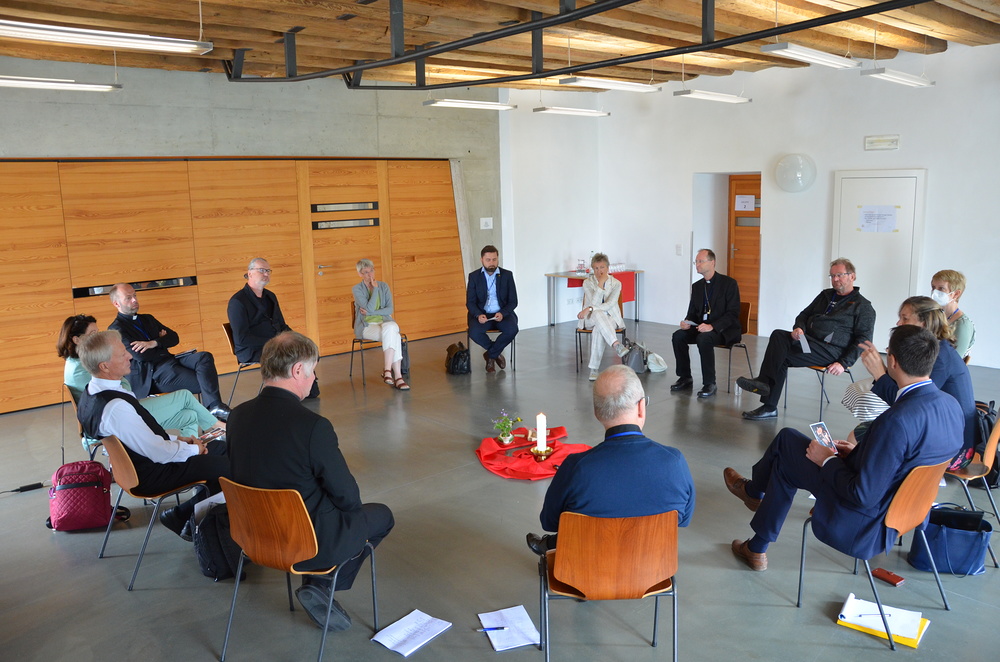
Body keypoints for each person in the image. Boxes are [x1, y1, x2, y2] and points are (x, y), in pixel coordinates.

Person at [723, 325, 963, 571]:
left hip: (862, 520)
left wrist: (827, 459)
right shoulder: (951, 406)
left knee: (786, 449)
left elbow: (863, 495)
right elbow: (907, 463)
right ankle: (755, 535)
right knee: (788, 446)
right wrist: (859, 453)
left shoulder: (897, 421)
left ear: (892, 361)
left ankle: (754, 508)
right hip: (907, 512)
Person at [227, 332, 394, 632]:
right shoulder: (313, 426)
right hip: (308, 544)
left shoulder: (236, 417)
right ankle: (322, 582)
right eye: (313, 370)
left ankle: (319, 583)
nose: (314, 377)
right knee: (381, 515)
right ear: (297, 371)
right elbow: (348, 498)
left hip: (254, 536)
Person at [75, 330, 230, 539]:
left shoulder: (92, 392)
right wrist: (193, 449)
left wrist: (180, 440)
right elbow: (158, 452)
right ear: (105, 366)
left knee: (223, 449)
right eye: (122, 354)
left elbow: (141, 439)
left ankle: (188, 516)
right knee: (234, 469)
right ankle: (188, 519)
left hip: (140, 465)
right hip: (152, 473)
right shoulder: (116, 407)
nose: (130, 356)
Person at [525, 365, 695, 554]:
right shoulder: (674, 462)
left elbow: (549, 522)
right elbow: (683, 519)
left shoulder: (576, 467)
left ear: (597, 412)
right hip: (651, 567)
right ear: (641, 407)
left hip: (587, 568)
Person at [737, 258, 875, 420]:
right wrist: (799, 328)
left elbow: (863, 340)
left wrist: (844, 363)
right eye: (832, 276)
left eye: (839, 275)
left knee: (782, 357)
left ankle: (768, 401)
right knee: (778, 335)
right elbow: (804, 314)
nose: (835, 279)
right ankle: (764, 385)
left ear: (852, 276)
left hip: (832, 351)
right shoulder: (825, 295)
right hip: (809, 341)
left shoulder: (863, 307)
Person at [59, 314, 225, 439]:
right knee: (185, 396)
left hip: (123, 410)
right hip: (119, 419)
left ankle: (191, 454)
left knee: (190, 416)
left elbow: (121, 384)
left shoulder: (78, 362)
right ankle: (220, 427)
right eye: (93, 334)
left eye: (98, 332)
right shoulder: (81, 368)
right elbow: (121, 387)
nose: (98, 337)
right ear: (77, 340)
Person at [858, 296, 976, 468]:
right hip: (947, 435)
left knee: (865, 436)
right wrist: (883, 368)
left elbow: (908, 402)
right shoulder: (937, 349)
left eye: (905, 318)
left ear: (924, 323)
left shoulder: (939, 359)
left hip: (955, 450)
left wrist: (880, 374)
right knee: (867, 434)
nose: (899, 323)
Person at [108, 283, 230, 421]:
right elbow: (141, 356)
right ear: (116, 303)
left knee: (204, 357)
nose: (134, 300)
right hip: (152, 374)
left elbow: (174, 338)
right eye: (128, 298)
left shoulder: (148, 318)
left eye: (135, 295)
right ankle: (213, 412)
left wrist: (153, 343)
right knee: (204, 382)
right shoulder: (116, 329)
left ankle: (213, 408)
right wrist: (162, 342)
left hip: (170, 360)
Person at [227, 258, 319, 398]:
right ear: (250, 273)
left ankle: (306, 387)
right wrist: (276, 343)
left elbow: (281, 325)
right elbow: (242, 339)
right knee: (291, 355)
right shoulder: (237, 302)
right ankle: (290, 392)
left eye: (268, 271)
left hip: (275, 344)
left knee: (306, 349)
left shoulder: (270, 296)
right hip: (251, 350)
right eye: (262, 270)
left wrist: (298, 340)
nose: (266, 274)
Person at [670, 249, 741, 398]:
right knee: (678, 336)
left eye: (701, 261)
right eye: (696, 262)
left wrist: (713, 326)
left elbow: (733, 313)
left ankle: (709, 383)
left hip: (724, 330)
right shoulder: (697, 286)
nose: (697, 264)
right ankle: (685, 377)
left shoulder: (729, 284)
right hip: (701, 327)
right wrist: (686, 322)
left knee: (704, 339)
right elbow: (692, 312)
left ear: (712, 262)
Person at [352, 259, 408, 390]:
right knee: (395, 336)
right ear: (360, 274)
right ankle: (398, 377)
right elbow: (368, 307)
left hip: (385, 322)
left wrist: (372, 312)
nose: (370, 274)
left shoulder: (384, 286)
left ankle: (388, 371)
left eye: (371, 270)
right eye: (366, 272)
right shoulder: (357, 289)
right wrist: (375, 290)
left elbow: (390, 310)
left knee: (391, 327)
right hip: (367, 326)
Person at [467, 245, 518, 373]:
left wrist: (503, 313)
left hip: (502, 314)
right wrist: (478, 314)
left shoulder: (507, 275)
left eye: (494, 259)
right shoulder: (474, 276)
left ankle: (490, 355)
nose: (492, 263)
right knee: (474, 332)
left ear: (498, 259)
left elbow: (513, 301)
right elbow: (470, 302)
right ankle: (495, 353)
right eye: (488, 260)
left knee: (512, 330)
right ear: (482, 260)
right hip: (482, 314)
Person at [577, 253, 628, 381]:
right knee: (597, 314)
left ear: (608, 268)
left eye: (602, 267)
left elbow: (610, 304)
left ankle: (594, 369)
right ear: (592, 269)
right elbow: (594, 302)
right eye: (596, 268)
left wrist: (590, 308)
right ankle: (616, 344)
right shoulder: (587, 283)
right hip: (591, 318)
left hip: (611, 318)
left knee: (598, 329)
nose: (599, 271)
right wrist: (600, 284)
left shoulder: (616, 283)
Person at [931, 269, 975, 359]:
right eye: (933, 287)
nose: (935, 292)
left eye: (941, 288)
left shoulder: (963, 325)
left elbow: (953, 360)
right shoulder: (936, 316)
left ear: (956, 294)